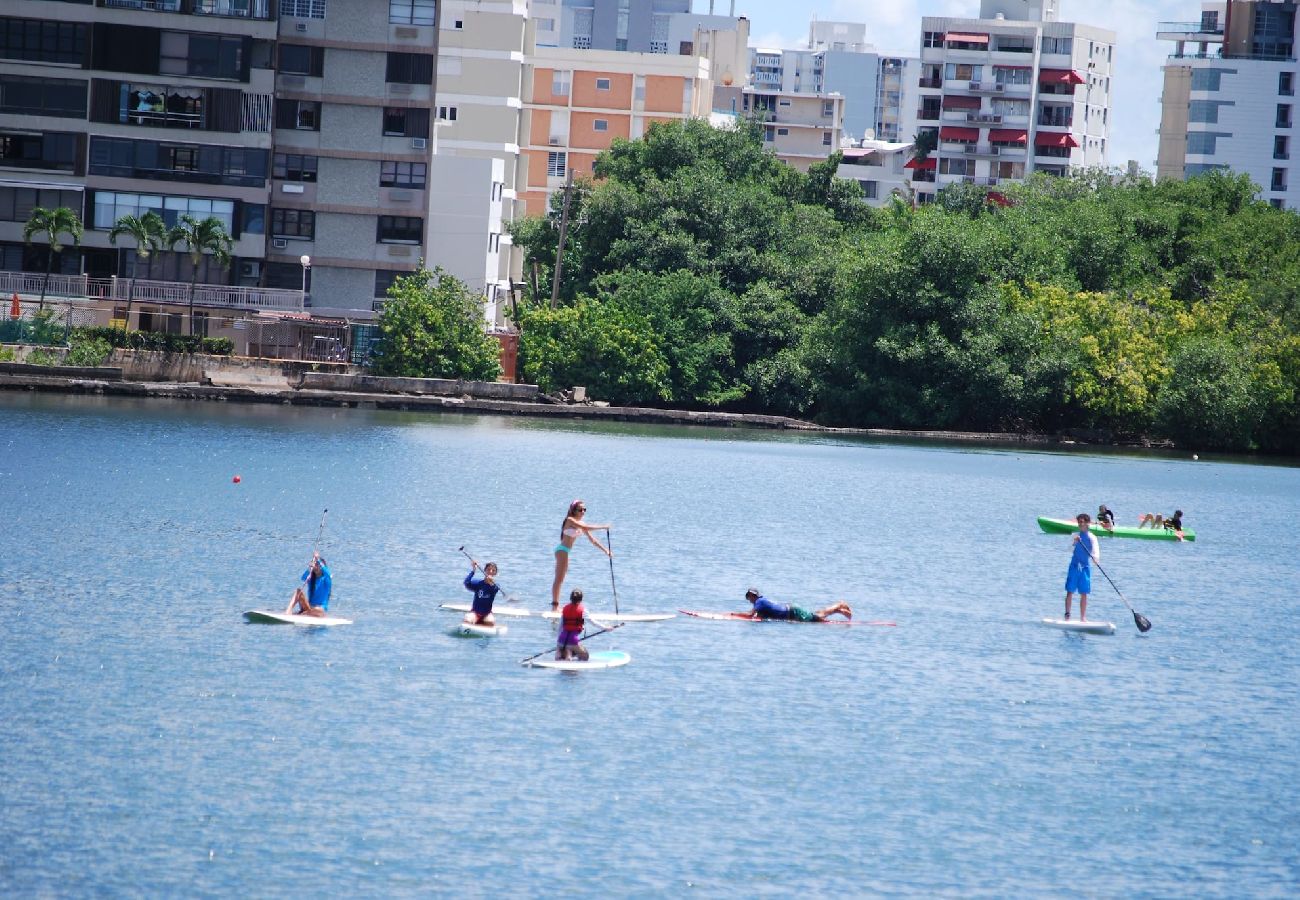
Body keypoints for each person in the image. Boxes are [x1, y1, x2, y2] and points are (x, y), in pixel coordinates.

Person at [551, 499, 611, 609]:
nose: (583, 512)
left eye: (584, 510)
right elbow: (586, 528)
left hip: (566, 552)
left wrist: (606, 551)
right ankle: (555, 607)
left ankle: (556, 606)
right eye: (580, 510)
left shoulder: (581, 523)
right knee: (558, 579)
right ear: (574, 510)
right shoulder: (570, 520)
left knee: (561, 579)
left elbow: (592, 540)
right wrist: (603, 527)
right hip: (561, 550)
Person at [554, 589, 611, 661]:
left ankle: (561, 654)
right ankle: (568, 654)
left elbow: (560, 626)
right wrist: (606, 628)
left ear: (571, 598)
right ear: (581, 599)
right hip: (573, 640)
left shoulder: (565, 609)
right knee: (585, 656)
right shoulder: (583, 610)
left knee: (564, 648)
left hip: (561, 639)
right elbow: (593, 622)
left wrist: (558, 642)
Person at [1063, 513, 1099, 621]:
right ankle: (1067, 616)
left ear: (1087, 523)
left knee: (1084, 593)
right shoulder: (1075, 535)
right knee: (1070, 591)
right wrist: (1074, 542)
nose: (1080, 524)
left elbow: (1096, 552)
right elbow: (1068, 549)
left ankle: (1083, 618)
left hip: (1085, 567)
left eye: (1082, 522)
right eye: (1079, 522)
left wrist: (1095, 559)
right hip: (1074, 566)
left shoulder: (1092, 537)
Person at [741, 588, 852, 622]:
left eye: (749, 597)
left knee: (818, 617)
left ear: (753, 596)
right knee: (817, 616)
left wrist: (732, 614)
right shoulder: (761, 601)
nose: (748, 599)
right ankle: (838, 610)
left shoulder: (759, 602)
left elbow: (750, 615)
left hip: (793, 611)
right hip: (792, 611)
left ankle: (839, 605)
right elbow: (758, 615)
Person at [286, 552, 331, 618]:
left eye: (317, 565)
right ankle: (288, 611)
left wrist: (317, 559)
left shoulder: (326, 580)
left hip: (320, 610)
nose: (315, 567)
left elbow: (327, 573)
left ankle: (302, 614)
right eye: (314, 565)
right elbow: (303, 577)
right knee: (298, 591)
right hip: (309, 608)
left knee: (315, 610)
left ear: (322, 567)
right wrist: (309, 568)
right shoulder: (311, 579)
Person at [462, 558, 501, 626]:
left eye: (493, 570)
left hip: (487, 614)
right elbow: (466, 583)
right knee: (467, 620)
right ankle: (474, 622)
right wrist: (473, 570)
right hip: (475, 613)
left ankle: (482, 623)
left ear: (495, 573)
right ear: (485, 571)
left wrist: (490, 583)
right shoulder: (478, 583)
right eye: (488, 569)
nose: (490, 571)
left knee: (490, 622)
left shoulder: (496, 585)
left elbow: (494, 589)